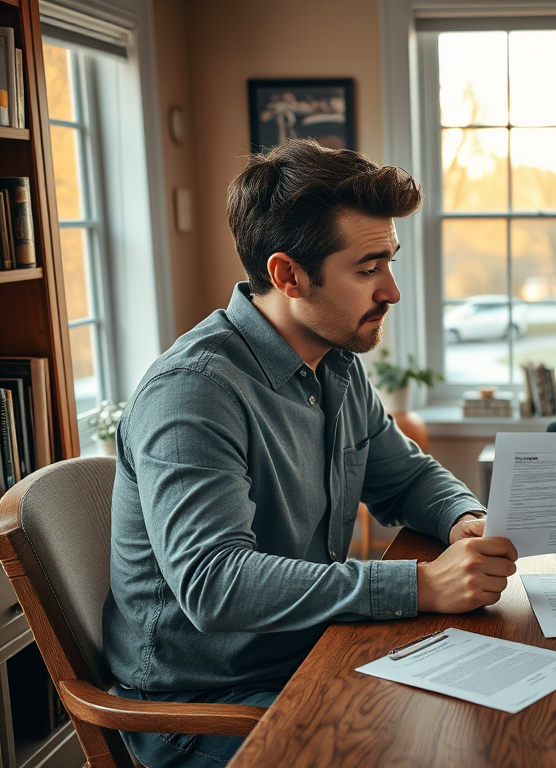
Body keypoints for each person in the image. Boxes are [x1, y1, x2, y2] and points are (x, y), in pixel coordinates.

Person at [103, 139, 518, 767]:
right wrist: (420, 584)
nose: (393, 292)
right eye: (368, 268)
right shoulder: (194, 392)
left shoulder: (336, 364)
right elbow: (214, 583)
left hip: (310, 658)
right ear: (287, 274)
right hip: (203, 712)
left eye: (390, 262)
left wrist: (463, 516)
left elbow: (404, 476)